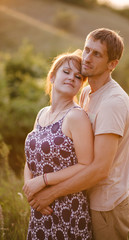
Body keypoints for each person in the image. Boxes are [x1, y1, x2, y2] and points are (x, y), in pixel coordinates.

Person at [27, 28, 129, 240]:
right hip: (81, 196)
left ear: (112, 64)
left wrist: (49, 191)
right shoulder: (87, 92)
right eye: (87, 50)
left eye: (97, 54)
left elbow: (100, 169)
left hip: (106, 204)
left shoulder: (113, 102)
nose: (87, 58)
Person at [23, 51, 94, 240]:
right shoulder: (41, 114)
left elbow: (85, 164)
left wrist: (43, 180)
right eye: (66, 72)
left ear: (81, 85)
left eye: (78, 76)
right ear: (52, 76)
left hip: (67, 208)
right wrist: (30, 190)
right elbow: (31, 156)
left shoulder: (76, 117)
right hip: (40, 207)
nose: (72, 77)